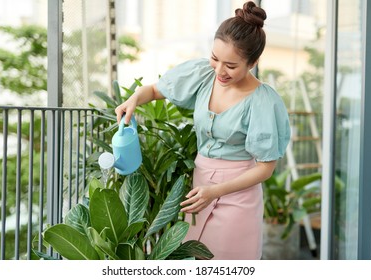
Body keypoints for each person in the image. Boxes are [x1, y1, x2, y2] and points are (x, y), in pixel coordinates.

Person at [115, 1, 290, 260]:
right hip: (200, 186)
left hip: (236, 195)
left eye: (230, 66)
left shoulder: (263, 101)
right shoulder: (203, 74)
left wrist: (215, 192)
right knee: (193, 256)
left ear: (252, 63)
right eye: (215, 58)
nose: (219, 70)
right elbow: (154, 90)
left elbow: (266, 168)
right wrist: (133, 100)